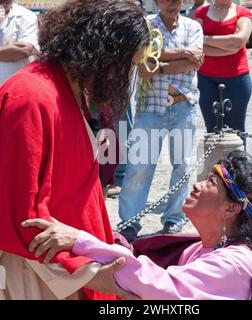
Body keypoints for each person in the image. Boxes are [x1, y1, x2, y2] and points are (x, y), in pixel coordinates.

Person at [0, 0, 150, 300]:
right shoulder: (30, 97)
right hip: (40, 275)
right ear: (102, 53)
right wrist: (91, 272)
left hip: (70, 268)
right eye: (125, 66)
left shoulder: (68, 89)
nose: (123, 78)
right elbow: (21, 215)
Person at [22, 150, 252, 300]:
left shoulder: (235, 262)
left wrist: (81, 241)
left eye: (211, 183)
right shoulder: (201, 249)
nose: (197, 184)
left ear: (230, 208)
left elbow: (163, 287)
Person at [117, 0, 204, 242]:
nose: (172, 3)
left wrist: (159, 67)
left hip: (183, 105)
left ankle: (174, 218)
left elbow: (194, 61)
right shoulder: (144, 26)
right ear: (156, 1)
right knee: (139, 166)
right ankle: (130, 222)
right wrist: (183, 53)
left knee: (184, 165)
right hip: (150, 107)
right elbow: (143, 55)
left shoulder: (193, 27)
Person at [194, 0, 252, 136]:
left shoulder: (242, 12)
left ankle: (236, 158)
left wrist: (205, 39)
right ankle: (215, 158)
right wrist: (229, 48)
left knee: (236, 130)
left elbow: (240, 40)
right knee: (211, 129)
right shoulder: (201, 12)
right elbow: (194, 41)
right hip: (205, 78)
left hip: (237, 78)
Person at [0, 0, 39, 85]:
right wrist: (7, 50)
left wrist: (14, 50)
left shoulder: (26, 16)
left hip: (14, 89)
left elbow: (24, 50)